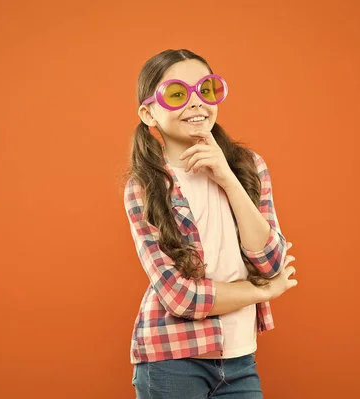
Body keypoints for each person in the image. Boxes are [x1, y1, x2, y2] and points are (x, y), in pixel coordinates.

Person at [124, 49, 298, 399]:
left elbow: (270, 262)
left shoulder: (248, 165)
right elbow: (180, 296)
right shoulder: (144, 187)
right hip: (171, 358)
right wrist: (263, 292)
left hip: (240, 358)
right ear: (149, 113)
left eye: (206, 89)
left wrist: (228, 180)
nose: (196, 103)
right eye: (177, 94)